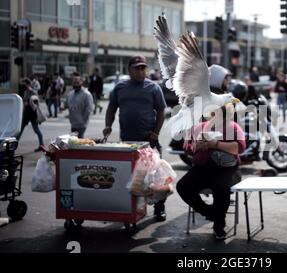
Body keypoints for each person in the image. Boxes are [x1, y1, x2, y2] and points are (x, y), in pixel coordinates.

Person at [102, 55, 167, 222]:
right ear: (129, 69)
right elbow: (111, 109)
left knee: (157, 177)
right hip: (127, 142)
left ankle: (159, 208)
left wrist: (156, 133)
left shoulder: (153, 88)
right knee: (131, 178)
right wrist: (108, 125)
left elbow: (161, 111)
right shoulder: (120, 88)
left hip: (149, 141)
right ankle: (129, 207)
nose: (140, 71)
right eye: (137, 68)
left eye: (143, 68)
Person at [176, 103, 246, 240]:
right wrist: (196, 146)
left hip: (228, 169)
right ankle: (211, 213)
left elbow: (240, 148)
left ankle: (219, 225)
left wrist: (216, 144)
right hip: (202, 168)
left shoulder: (233, 127)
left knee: (222, 188)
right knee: (183, 186)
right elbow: (187, 147)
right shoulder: (199, 128)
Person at [60, 72, 94, 138]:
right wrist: (62, 107)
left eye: (77, 83)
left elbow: (89, 109)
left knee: (79, 141)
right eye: (74, 83)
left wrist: (83, 120)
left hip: (82, 124)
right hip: (73, 123)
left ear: (81, 82)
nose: (75, 84)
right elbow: (66, 104)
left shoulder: (86, 94)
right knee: (74, 141)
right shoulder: (71, 94)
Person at [16, 78, 44, 152]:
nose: (23, 86)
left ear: (28, 84)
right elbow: (24, 100)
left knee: (36, 130)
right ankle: (14, 145)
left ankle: (42, 145)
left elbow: (36, 103)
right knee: (20, 130)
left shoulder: (33, 91)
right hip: (27, 114)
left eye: (24, 84)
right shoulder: (26, 91)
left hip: (32, 114)